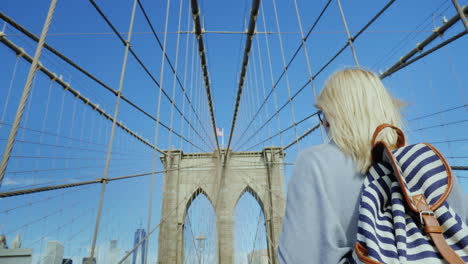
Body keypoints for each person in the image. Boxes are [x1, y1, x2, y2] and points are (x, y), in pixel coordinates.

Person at [277, 68, 468, 263]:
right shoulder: (427, 162)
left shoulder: (313, 163)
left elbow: (297, 258)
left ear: (329, 117)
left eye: (322, 114)